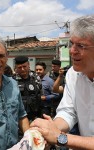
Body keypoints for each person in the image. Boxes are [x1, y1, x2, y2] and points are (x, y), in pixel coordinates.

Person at [31, 14, 94, 149]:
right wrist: (48, 129)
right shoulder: (73, 74)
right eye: (72, 44)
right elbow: (68, 111)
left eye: (81, 46)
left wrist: (61, 138)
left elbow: (61, 137)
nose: (72, 51)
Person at [13, 56, 42, 121]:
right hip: (19, 118)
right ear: (16, 68)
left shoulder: (36, 78)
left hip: (35, 116)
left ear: (28, 65)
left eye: (24, 66)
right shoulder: (12, 80)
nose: (22, 69)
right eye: (19, 67)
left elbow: (39, 95)